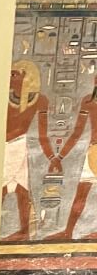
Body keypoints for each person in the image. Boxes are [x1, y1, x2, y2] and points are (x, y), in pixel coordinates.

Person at [2, 60, 57, 242]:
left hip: (20, 147)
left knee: (22, 190)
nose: (10, 78)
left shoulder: (40, 100)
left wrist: (52, 157)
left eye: (14, 74)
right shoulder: (3, 97)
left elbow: (42, 133)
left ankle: (25, 231)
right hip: (3, 148)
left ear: (27, 76)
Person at [47, 77, 97, 240]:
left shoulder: (88, 102)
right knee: (81, 193)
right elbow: (77, 132)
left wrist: (59, 157)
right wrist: (59, 156)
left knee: (82, 193)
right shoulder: (88, 102)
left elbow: (77, 132)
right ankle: (68, 232)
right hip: (93, 152)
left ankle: (68, 232)